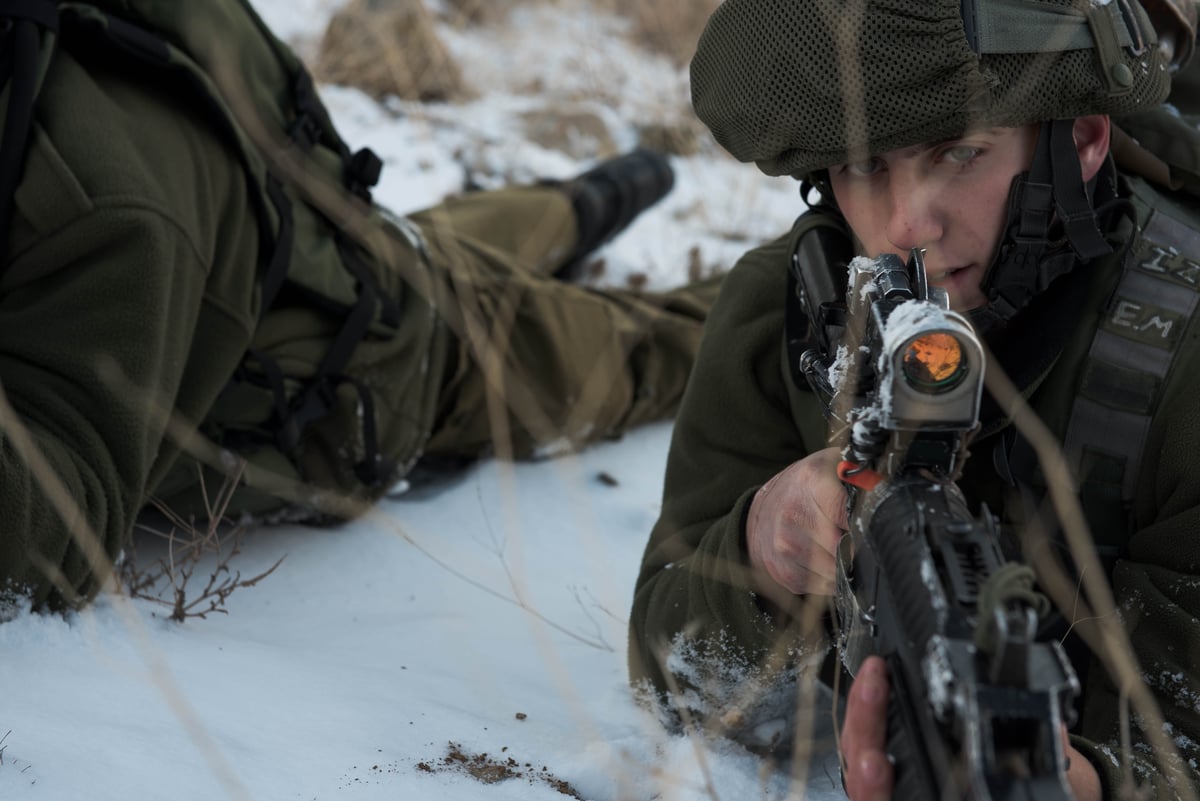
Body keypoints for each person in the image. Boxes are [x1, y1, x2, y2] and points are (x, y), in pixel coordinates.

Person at [628, 1, 1200, 800]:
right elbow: (669, 673)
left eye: (959, 152)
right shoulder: (783, 312)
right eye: (863, 166)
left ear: (1082, 138)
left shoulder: (1183, 352)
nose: (903, 224)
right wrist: (764, 549)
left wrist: (1089, 782)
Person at [0, 0, 720, 611]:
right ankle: (591, 197)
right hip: (325, 253)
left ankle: (764, 269)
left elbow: (64, 529)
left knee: (653, 348)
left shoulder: (97, 211)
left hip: (390, 371)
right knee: (440, 252)